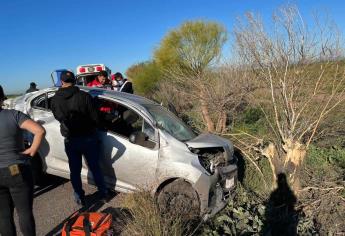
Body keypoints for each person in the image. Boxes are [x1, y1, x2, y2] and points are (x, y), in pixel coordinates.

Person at [51, 71, 108, 206]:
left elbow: (58, 117)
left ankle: (79, 196)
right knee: (94, 167)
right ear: (75, 81)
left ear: (62, 82)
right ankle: (103, 193)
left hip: (71, 139)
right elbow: (95, 117)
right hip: (88, 137)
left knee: (75, 170)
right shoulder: (85, 96)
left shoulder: (55, 99)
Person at [0, 85, 46, 236]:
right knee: (24, 212)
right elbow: (39, 130)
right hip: (17, 169)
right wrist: (32, 150)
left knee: (3, 216)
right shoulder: (13, 115)